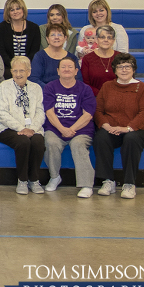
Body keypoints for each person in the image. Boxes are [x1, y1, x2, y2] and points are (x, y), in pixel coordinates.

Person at [93, 53, 144, 199]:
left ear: (134, 69)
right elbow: (97, 110)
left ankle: (129, 184)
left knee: (131, 139)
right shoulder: (107, 86)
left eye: (128, 66)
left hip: (140, 130)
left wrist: (128, 128)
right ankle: (108, 181)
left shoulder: (143, 88)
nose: (124, 70)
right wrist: (105, 125)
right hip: (113, 129)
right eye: (120, 66)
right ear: (114, 70)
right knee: (101, 137)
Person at [42, 57, 97, 198]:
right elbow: (49, 112)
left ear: (76, 71)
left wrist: (72, 129)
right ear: (58, 71)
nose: (66, 69)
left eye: (70, 67)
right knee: (50, 142)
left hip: (81, 129)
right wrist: (62, 129)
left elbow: (88, 115)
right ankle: (55, 177)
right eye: (63, 67)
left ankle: (86, 185)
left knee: (78, 144)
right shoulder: (50, 87)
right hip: (56, 128)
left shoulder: (85, 89)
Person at [0, 56, 46, 195]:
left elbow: (40, 112)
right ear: (11, 71)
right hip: (8, 128)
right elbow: (2, 113)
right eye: (15, 71)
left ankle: (34, 180)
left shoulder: (36, 88)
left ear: (29, 72)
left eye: (22, 71)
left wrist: (33, 129)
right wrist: (21, 128)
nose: (18, 74)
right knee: (23, 141)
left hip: (32, 128)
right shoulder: (4, 86)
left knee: (38, 141)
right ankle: (22, 180)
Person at [0, 0, 41, 79]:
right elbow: (1, 51)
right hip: (9, 66)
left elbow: (34, 51)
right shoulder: (2, 28)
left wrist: (24, 66)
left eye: (18, 8)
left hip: (29, 65)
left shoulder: (34, 28)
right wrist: (14, 66)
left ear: (23, 10)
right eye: (12, 10)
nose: (15, 12)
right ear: (8, 13)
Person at [29, 24, 81, 88]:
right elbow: (34, 79)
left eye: (60, 35)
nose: (56, 37)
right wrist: (52, 90)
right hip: (46, 93)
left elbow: (79, 80)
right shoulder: (39, 56)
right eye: (53, 35)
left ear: (65, 38)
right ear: (47, 39)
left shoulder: (72, 58)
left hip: (68, 93)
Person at [81, 25, 119, 96]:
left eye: (109, 37)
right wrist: (101, 94)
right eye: (102, 37)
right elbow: (85, 83)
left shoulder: (120, 57)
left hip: (117, 96)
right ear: (96, 39)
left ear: (113, 41)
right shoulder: (87, 58)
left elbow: (126, 79)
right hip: (94, 97)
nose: (106, 40)